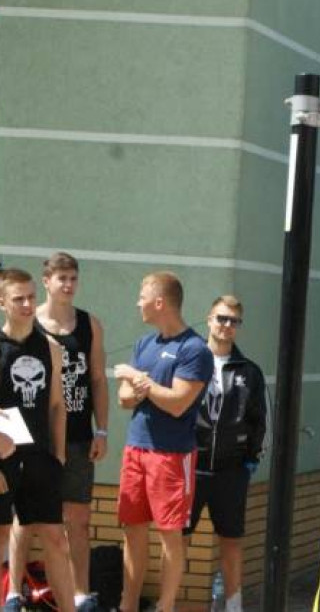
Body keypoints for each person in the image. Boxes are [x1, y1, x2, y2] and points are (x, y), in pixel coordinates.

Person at [9, 253, 108, 612]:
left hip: (79, 435)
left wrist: (104, 431)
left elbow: (97, 379)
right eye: (61, 277)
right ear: (46, 280)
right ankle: (13, 591)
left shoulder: (89, 325)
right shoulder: (27, 323)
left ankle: (80, 594)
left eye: (73, 278)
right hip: (31, 439)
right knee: (25, 519)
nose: (68, 284)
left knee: (77, 520)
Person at [114, 272, 213, 612]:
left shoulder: (195, 349)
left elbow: (177, 403)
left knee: (170, 534)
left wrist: (136, 378)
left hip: (171, 456)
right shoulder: (145, 344)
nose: (137, 303)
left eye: (142, 296)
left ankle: (165, 606)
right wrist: (140, 386)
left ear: (159, 302)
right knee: (132, 529)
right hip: (135, 448)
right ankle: (128, 604)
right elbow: (124, 399)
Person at [184, 296, 267, 612]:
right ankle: (167, 603)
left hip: (231, 470)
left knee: (231, 542)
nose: (227, 326)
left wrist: (250, 459)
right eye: (222, 318)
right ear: (208, 319)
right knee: (178, 539)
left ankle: (233, 606)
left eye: (234, 321)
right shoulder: (190, 360)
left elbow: (259, 418)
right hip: (192, 465)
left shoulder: (249, 371)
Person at [0, 269, 75, 612]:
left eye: (31, 296)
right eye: (19, 298)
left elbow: (58, 405)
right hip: (2, 459)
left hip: (40, 458)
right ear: (2, 302)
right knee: (3, 536)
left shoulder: (51, 348)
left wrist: (58, 454)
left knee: (56, 540)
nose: (28, 304)